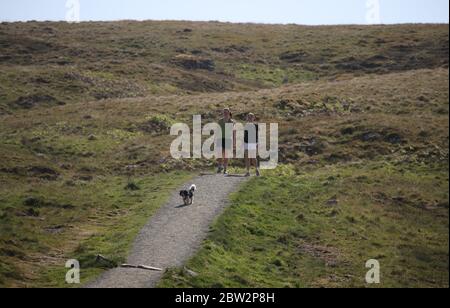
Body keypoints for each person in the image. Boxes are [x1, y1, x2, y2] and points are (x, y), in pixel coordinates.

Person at [217, 108, 235, 175]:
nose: (225, 113)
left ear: (229, 113)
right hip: (220, 138)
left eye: (226, 112)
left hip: (228, 139)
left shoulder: (231, 122)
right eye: (224, 112)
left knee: (226, 155)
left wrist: (234, 142)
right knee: (220, 154)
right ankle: (219, 167)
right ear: (223, 113)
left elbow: (233, 132)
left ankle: (225, 169)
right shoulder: (220, 121)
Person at [244, 113, 260, 177]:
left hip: (253, 143)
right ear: (247, 118)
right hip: (246, 142)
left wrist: (257, 143)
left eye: (251, 117)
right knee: (247, 158)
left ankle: (257, 170)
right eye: (248, 117)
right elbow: (245, 135)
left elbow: (257, 135)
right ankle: (247, 172)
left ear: (253, 118)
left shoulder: (256, 125)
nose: (250, 118)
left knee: (253, 157)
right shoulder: (246, 125)